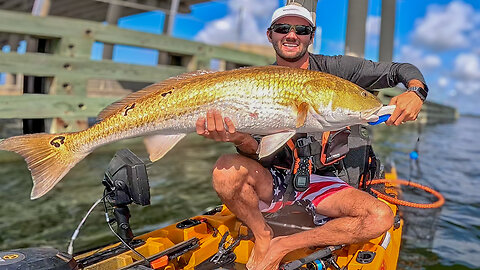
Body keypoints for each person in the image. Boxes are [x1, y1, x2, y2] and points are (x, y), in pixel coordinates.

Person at [196, 4, 428, 270]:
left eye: (302, 30)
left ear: (311, 36)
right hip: (281, 178)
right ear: (270, 34)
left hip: (330, 184)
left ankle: (283, 245)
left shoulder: (338, 68)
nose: (292, 35)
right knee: (225, 170)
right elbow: (257, 151)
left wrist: (415, 91)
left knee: (379, 217)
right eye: (283, 29)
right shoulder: (258, 84)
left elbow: (401, 70)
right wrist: (238, 138)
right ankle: (263, 235)